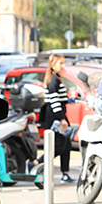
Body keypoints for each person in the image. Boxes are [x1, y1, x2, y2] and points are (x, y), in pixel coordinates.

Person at [39, 53, 74, 182]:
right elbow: (54, 102)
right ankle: (37, 163)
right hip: (55, 117)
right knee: (58, 147)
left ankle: (65, 173)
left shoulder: (56, 78)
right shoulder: (53, 80)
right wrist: (62, 119)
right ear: (52, 65)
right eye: (60, 63)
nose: (63, 66)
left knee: (67, 145)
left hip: (59, 115)